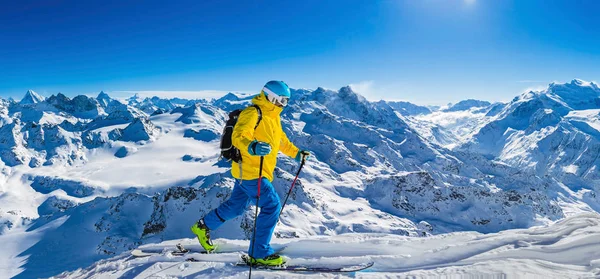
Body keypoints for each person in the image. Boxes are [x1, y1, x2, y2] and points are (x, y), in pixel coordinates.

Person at [191, 80, 310, 266]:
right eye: (282, 100)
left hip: (248, 173)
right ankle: (259, 253)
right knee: (271, 206)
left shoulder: (273, 117)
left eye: (286, 101)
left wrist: (297, 153)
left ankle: (203, 226)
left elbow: (281, 141)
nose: (283, 105)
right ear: (271, 97)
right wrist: (252, 146)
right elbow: (239, 136)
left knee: (236, 206)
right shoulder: (253, 112)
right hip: (251, 172)